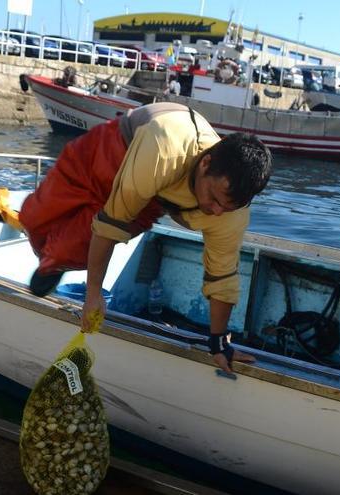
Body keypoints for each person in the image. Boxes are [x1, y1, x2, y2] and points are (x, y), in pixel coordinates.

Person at [19, 102, 273, 375]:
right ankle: (47, 250)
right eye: (212, 198)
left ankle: (55, 263)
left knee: (73, 250)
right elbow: (111, 222)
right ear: (206, 163)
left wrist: (219, 343)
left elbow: (222, 276)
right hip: (112, 150)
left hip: (154, 193)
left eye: (227, 207)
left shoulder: (231, 212)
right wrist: (94, 293)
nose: (216, 211)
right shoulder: (165, 150)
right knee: (34, 219)